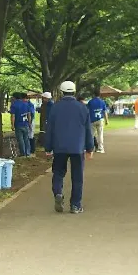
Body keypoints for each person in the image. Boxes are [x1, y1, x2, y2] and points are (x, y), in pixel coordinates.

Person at [44, 80, 94, 214]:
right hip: (77, 147)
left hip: (59, 147)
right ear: (74, 91)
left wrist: (48, 148)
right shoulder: (82, 107)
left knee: (58, 172)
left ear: (61, 92)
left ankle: (58, 193)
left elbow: (49, 129)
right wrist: (90, 148)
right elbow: (88, 130)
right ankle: (75, 205)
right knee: (77, 176)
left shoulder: (55, 107)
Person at [86, 89, 109, 153]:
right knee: (100, 134)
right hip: (100, 119)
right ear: (100, 94)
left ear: (94, 94)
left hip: (92, 120)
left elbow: (87, 111)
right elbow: (105, 112)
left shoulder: (90, 102)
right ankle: (101, 148)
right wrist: (107, 120)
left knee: (91, 135)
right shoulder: (102, 102)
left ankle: (90, 148)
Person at [9, 92, 32, 157]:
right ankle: (28, 153)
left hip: (18, 124)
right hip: (26, 124)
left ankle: (23, 153)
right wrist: (29, 124)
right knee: (26, 139)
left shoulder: (14, 105)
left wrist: (12, 125)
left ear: (14, 97)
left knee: (20, 140)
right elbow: (29, 115)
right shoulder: (26, 104)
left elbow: (13, 116)